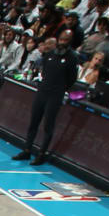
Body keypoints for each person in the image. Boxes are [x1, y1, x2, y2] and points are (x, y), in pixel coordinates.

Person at [13, 34, 78, 164]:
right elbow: (44, 71)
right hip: (42, 91)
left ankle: (42, 154)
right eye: (61, 39)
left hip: (55, 95)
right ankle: (27, 150)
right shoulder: (50, 54)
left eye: (65, 40)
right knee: (33, 122)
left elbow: (72, 79)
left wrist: (60, 88)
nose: (62, 42)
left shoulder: (72, 58)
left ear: (69, 42)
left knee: (48, 125)